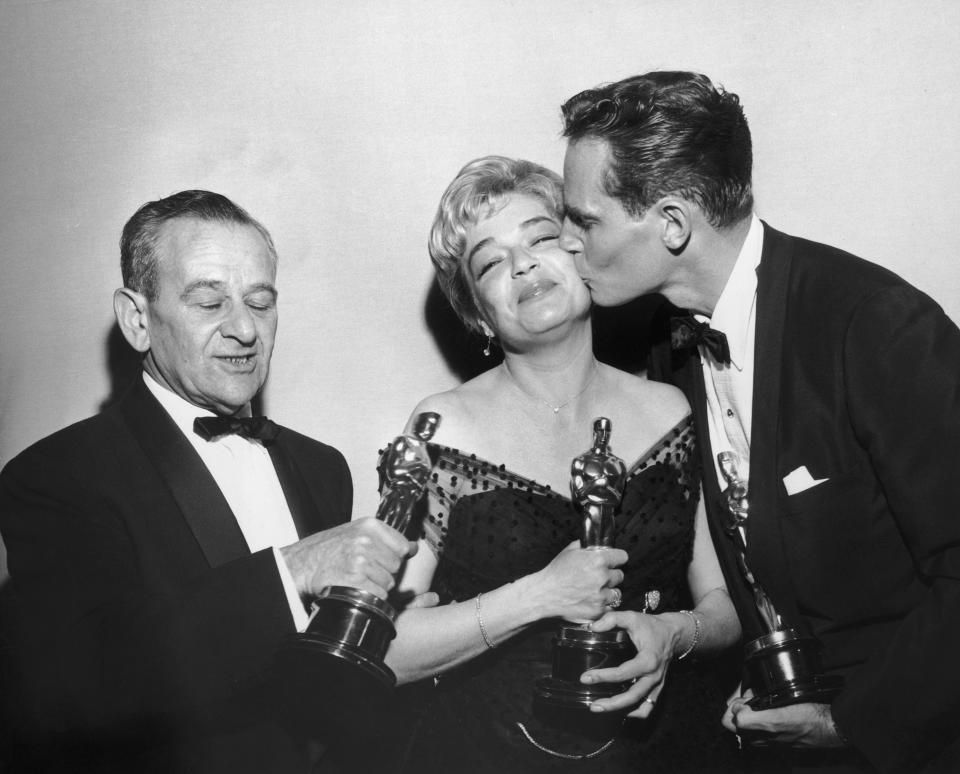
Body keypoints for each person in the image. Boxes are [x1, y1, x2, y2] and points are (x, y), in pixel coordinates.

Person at [558, 71, 960, 773]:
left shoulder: (877, 326)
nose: (566, 243)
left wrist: (850, 725)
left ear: (674, 224)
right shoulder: (665, 345)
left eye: (585, 220)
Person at [0, 190, 417, 774]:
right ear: (137, 319)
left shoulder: (322, 467)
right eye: (208, 302)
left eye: (260, 302)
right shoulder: (55, 476)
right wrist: (294, 569)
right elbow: (83, 685)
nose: (245, 329)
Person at [382, 156, 742, 773]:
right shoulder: (442, 426)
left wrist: (673, 636)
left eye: (541, 238)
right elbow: (387, 649)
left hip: (671, 750)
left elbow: (726, 606)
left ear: (582, 255)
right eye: (490, 262)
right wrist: (538, 596)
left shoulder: (671, 408)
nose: (522, 264)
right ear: (477, 312)